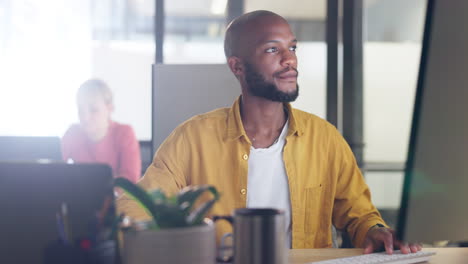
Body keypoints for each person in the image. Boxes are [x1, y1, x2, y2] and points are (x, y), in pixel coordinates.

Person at [117, 10, 421, 253]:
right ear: (237, 66)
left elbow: (359, 214)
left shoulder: (325, 138)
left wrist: (375, 231)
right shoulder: (192, 137)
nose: (289, 59)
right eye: (272, 49)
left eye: (292, 47)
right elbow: (139, 206)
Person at [62, 79, 141, 183]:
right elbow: (55, 171)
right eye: (81, 110)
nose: (85, 117)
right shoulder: (72, 133)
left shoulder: (124, 133)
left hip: (114, 199)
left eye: (93, 110)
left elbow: (130, 180)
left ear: (110, 108)